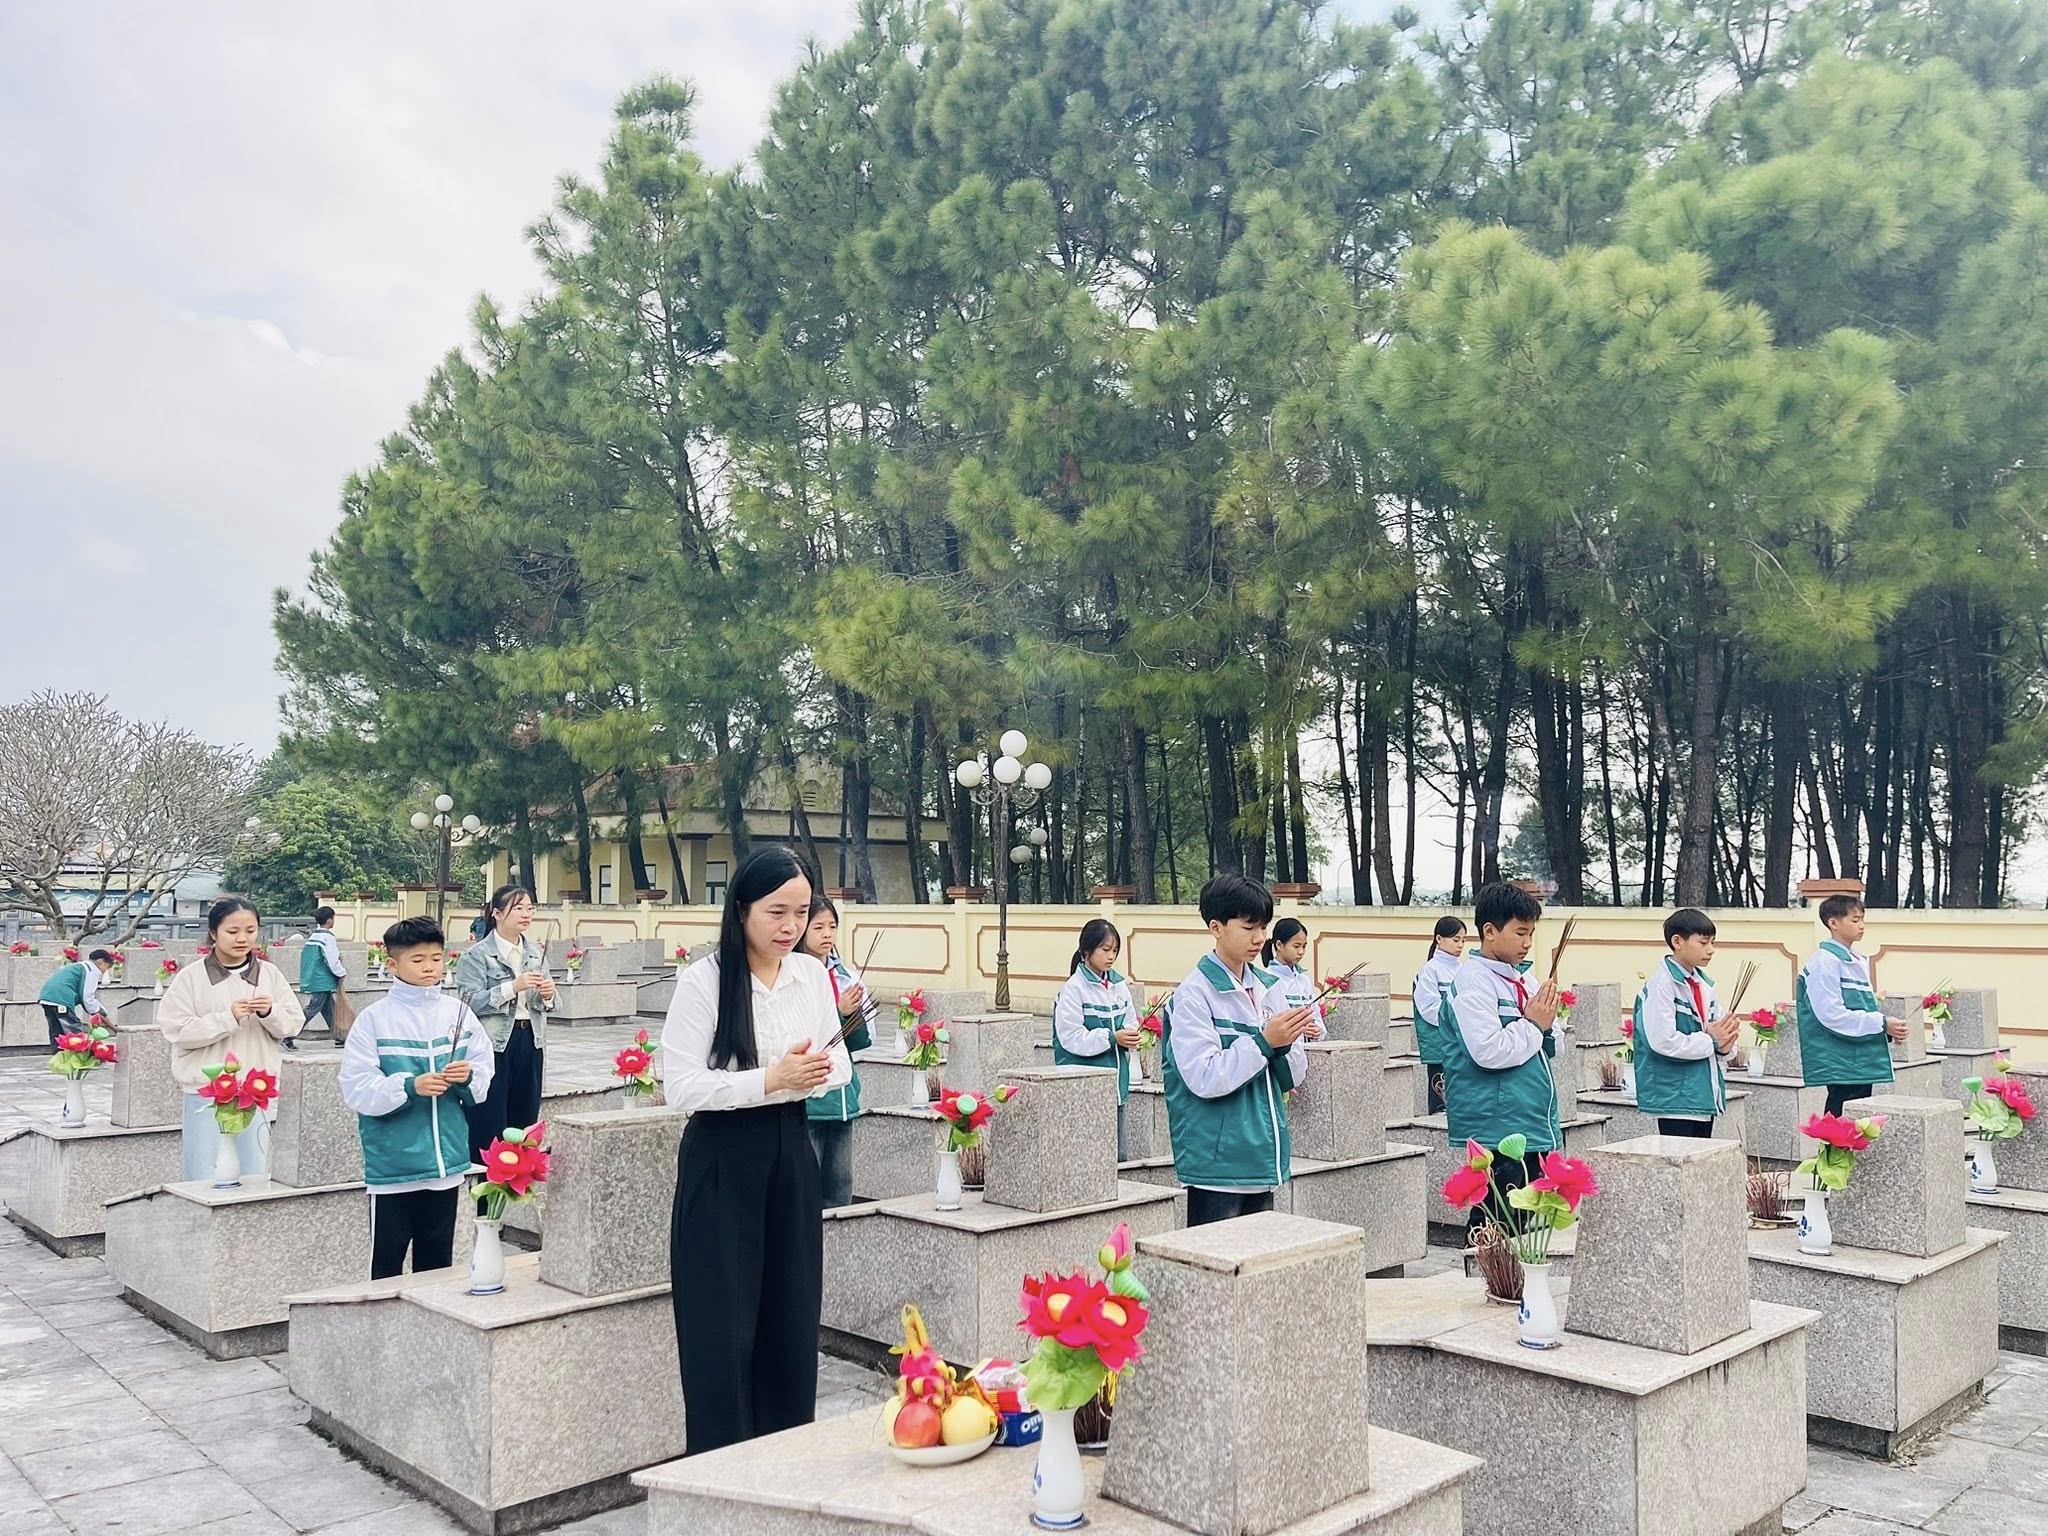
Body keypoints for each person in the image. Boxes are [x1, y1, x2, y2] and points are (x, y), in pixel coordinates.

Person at [662, 846, 850, 1457]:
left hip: (790, 1151)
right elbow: (680, 1086)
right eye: (777, 912)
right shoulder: (704, 980)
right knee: (721, 1322)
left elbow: (840, 1065)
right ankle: (720, 1465)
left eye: (801, 913)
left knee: (790, 1313)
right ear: (741, 908)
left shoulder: (810, 976)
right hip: (721, 1157)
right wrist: (770, 1079)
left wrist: (808, 1074)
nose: (791, 926)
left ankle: (783, 1460)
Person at [339, 917, 494, 1279]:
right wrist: (410, 1086)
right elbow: (356, 1088)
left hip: (446, 1168)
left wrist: (467, 1077)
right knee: (385, 1268)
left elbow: (483, 1074)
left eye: (436, 959)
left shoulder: (459, 1014)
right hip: (393, 1169)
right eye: (418, 959)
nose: (429, 968)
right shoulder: (374, 1020)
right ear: (392, 965)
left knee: (437, 1268)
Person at [1159, 874, 1315, 1227]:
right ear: (1216, 927)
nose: (1259, 938)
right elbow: (1203, 1077)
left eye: (1263, 927)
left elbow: (1291, 1077)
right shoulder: (1194, 994)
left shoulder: (1269, 988)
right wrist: (1264, 1042)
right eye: (1248, 927)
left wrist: (1287, 1044)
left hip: (1263, 1155)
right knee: (1214, 1259)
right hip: (1217, 1165)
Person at [1441, 883, 1562, 1230]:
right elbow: (1488, 1050)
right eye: (1520, 932)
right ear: (1490, 931)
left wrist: (1547, 1025)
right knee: (1495, 1222)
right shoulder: (1473, 982)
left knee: (1519, 1224)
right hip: (1497, 1122)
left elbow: (1550, 1043)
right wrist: (1535, 1024)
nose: (1528, 943)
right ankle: (1480, 1269)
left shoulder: (1523, 979)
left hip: (1529, 1116)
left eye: (1531, 933)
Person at [158, 898, 306, 1180]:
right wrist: (227, 1019)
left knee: (253, 1173)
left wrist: (270, 1012)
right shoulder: (191, 978)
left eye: (250, 931)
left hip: (255, 1090)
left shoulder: (270, 974)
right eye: (232, 931)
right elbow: (176, 1030)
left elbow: (293, 1024)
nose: (242, 939)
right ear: (213, 933)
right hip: (207, 1091)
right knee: (204, 1175)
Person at [454, 886, 556, 1165]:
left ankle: (517, 1181)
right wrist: (512, 987)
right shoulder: (477, 955)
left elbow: (547, 1004)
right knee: (488, 1120)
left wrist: (548, 994)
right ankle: (484, 1182)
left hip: (530, 1041)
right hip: (493, 1045)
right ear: (497, 914)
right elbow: (468, 1001)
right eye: (518, 908)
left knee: (524, 1120)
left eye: (530, 908)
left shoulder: (534, 952)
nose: (526, 914)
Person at [1634, 908, 1739, 1136]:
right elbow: (1662, 1041)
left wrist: (1726, 1044)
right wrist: (1712, 1041)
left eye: (1712, 942)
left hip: (1701, 1094)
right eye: (1703, 942)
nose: (1711, 950)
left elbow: (1717, 1032)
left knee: (1701, 1158)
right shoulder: (1661, 985)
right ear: (1677, 942)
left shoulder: (1704, 985)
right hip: (1674, 1097)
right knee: (1678, 1157)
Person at [1798, 894, 1905, 1117]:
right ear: (1833, 923)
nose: (1862, 926)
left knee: (1857, 1119)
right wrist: (1882, 1023)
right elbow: (1831, 1014)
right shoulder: (1825, 961)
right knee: (1842, 1119)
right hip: (1841, 1057)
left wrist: (1886, 1029)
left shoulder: (1852, 959)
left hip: (1855, 1055)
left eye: (1862, 919)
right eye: (1855, 920)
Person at [798, 895, 868, 1208]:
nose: (827, 934)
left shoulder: (844, 976)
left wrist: (854, 1013)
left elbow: (857, 1042)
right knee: (806, 1186)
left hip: (843, 1098)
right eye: (818, 927)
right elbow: (804, 1035)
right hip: (811, 1100)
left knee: (841, 1186)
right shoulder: (793, 975)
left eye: (832, 926)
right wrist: (839, 1012)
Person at [1053, 918, 1142, 1161]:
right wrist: (1112, 1038)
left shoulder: (1119, 986)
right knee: (1089, 1158)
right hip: (1084, 1087)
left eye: (1115, 950)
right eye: (1105, 949)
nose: (1111, 956)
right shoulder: (1073, 989)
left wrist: (1131, 1034)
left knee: (1118, 1157)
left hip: (1116, 1084)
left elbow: (1131, 1020)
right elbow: (1071, 1037)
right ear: (1086, 951)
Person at [1412, 917, 1467, 1115]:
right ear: (1439, 939)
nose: (1460, 945)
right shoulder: (1429, 970)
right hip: (1440, 1043)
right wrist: (1456, 1021)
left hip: (1461, 1041)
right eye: (1455, 939)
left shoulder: (1463, 969)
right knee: (1441, 1101)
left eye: (1463, 940)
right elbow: (1428, 1008)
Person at [1260, 918, 1328, 1043]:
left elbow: (1316, 1016)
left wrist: (1317, 1030)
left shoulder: (1304, 980)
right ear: (1279, 945)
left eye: (1304, 946)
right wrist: (1299, 1029)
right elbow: (1265, 1025)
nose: (1301, 952)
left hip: (1307, 1051)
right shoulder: (1267, 980)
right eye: (1296, 946)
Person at [295, 906, 349, 1051]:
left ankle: (340, 1037)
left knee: (329, 1009)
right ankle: (289, 1034)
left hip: (314, 978)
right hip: (322, 980)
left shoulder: (313, 937)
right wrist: (341, 972)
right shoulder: (328, 938)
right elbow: (332, 960)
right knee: (313, 1008)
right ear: (330, 920)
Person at [40, 948, 113, 1044]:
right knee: (74, 1030)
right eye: (106, 967)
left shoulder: (79, 966)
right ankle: (79, 1052)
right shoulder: (90, 970)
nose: (104, 971)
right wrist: (100, 1012)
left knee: (57, 1032)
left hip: (47, 998)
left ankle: (58, 1052)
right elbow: (87, 997)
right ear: (101, 962)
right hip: (61, 999)